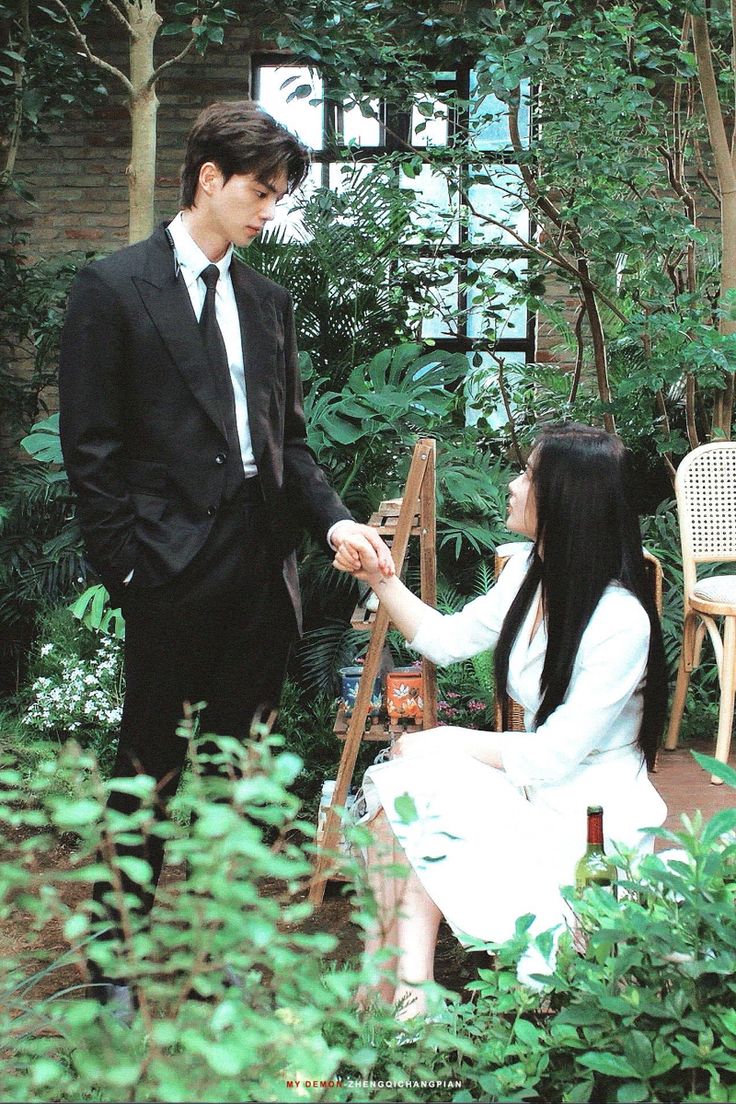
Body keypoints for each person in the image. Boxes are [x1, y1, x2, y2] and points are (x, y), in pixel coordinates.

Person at [59, 100, 393, 1003]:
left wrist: (330, 523)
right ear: (208, 177)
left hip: (261, 571)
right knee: (148, 769)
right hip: (165, 573)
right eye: (260, 190)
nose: (270, 210)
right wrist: (129, 570)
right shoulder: (114, 288)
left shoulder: (267, 302)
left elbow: (290, 443)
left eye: (280, 194)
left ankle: (217, 952)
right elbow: (90, 453)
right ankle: (114, 964)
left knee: (240, 771)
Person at [333, 423, 668, 1019]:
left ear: (565, 500)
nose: (513, 486)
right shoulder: (525, 573)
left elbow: (553, 756)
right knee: (403, 796)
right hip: (531, 783)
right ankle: (403, 981)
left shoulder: (622, 622)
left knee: (418, 780)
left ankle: (401, 990)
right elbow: (443, 638)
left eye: (529, 476)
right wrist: (379, 578)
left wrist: (449, 739)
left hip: (585, 815)